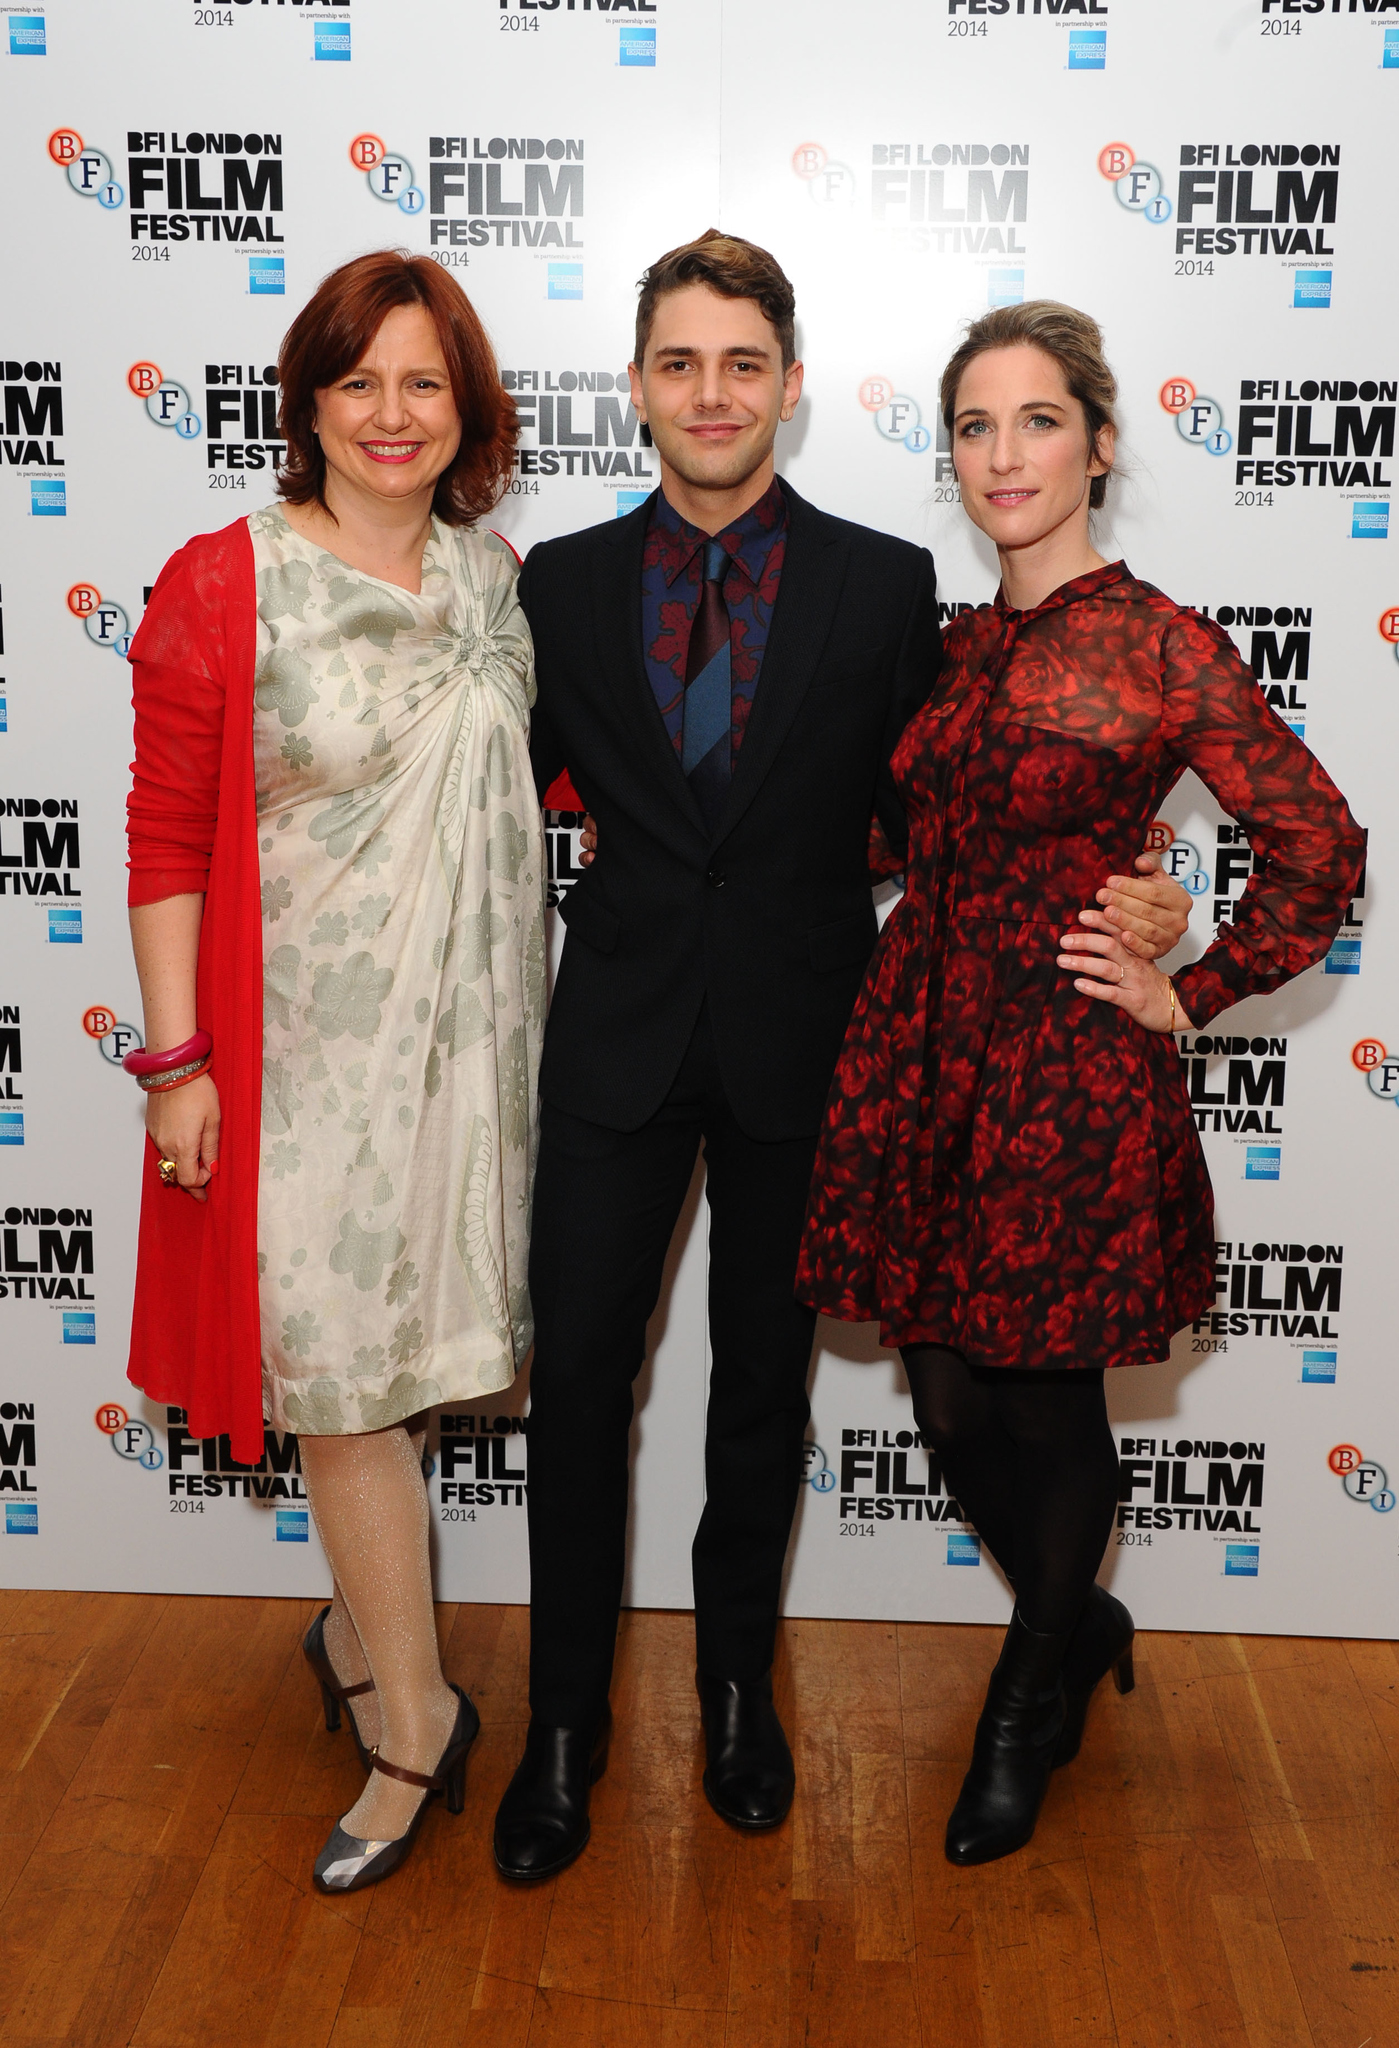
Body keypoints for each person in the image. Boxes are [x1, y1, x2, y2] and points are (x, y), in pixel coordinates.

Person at [491, 234, 1193, 1881]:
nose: (712, 392)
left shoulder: (888, 590)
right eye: (680, 363)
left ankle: (741, 1694)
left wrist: (1148, 898)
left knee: (759, 1397)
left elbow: (968, 804)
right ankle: (566, 1733)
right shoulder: (560, 588)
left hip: (819, 1053)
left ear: (791, 388)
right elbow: (487, 802)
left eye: (744, 363)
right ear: (641, 389)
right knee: (583, 1395)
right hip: (611, 1049)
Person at [797, 299, 1367, 1868]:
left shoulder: (1161, 642)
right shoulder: (953, 640)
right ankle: (1078, 1607)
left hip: (1065, 1068)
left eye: (1037, 419)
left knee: (1041, 1400)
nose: (1004, 454)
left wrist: (1189, 978)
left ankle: (1026, 1692)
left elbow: (1320, 848)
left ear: (1100, 444)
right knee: (941, 1388)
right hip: (925, 1054)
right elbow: (903, 836)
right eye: (974, 426)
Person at [123, 250, 543, 1893]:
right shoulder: (228, 579)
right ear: (309, 402)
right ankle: (416, 1725)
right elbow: (165, 837)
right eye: (357, 380)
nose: (391, 413)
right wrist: (179, 1063)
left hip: (474, 1051)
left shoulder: (496, 579)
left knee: (407, 1366)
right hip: (303, 1063)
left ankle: (355, 1631)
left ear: (467, 407)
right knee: (342, 1382)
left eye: (423, 381)